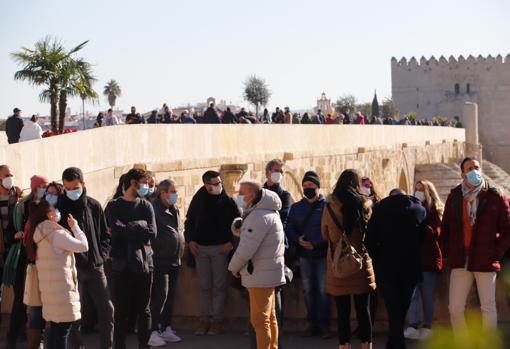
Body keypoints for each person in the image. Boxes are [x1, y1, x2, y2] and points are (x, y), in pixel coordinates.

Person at [441, 157, 510, 332]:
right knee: (455, 308)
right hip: (460, 259)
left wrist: (496, 252)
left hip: (485, 259)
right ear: (462, 174)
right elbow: (446, 227)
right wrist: (449, 251)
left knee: (488, 307)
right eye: (470, 168)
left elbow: (507, 230)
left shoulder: (495, 196)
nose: (474, 170)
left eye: (476, 167)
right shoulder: (455, 196)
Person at [56, 167, 114, 349]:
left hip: (95, 267)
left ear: (83, 184)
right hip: (72, 270)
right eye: (68, 188)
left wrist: (101, 257)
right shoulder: (60, 209)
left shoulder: (94, 206)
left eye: (75, 187)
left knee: (107, 310)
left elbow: (105, 235)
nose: (72, 192)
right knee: (75, 315)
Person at [322, 169, 376, 349]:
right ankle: (366, 345)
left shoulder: (329, 206)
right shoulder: (364, 205)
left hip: (338, 263)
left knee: (342, 311)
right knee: (363, 310)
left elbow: (324, 234)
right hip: (360, 262)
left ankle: (344, 346)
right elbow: (370, 232)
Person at [366, 188, 426, 349]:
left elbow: (370, 240)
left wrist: (378, 259)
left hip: (387, 267)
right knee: (402, 307)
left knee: (393, 308)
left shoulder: (379, 210)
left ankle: (395, 343)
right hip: (411, 266)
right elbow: (423, 238)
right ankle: (396, 343)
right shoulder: (419, 210)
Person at [228, 182, 286, 349]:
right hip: (268, 272)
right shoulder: (268, 213)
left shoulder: (258, 216)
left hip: (260, 274)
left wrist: (234, 267)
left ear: (252, 196)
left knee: (260, 321)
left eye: (241, 192)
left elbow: (246, 248)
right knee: (270, 318)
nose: (238, 195)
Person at [184, 170, 241, 335]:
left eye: (219, 183)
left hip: (220, 249)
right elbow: (190, 221)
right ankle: (204, 320)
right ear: (206, 185)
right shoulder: (199, 199)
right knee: (204, 286)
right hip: (200, 248)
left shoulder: (228, 200)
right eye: (214, 184)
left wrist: (231, 242)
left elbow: (238, 223)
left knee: (219, 286)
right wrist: (190, 241)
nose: (218, 186)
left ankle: (216, 320)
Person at [106, 168, 156, 348]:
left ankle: (144, 345)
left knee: (144, 309)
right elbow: (114, 231)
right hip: (121, 265)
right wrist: (138, 227)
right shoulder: (113, 206)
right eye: (143, 183)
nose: (146, 188)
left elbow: (152, 233)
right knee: (121, 311)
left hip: (144, 264)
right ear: (133, 183)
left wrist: (126, 227)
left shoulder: (146, 206)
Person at [31, 200, 88, 349]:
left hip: (50, 294)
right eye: (53, 209)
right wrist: (75, 227)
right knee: (62, 332)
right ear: (49, 215)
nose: (56, 211)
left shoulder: (39, 233)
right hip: (63, 293)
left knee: (56, 331)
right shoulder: (57, 234)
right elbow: (83, 246)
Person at [5, 175, 48, 348]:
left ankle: (40, 337)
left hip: (44, 259)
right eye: (41, 186)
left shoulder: (49, 206)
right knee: (21, 301)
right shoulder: (21, 207)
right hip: (23, 260)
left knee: (43, 302)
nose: (43, 189)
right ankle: (12, 340)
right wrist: (16, 236)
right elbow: (9, 233)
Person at [285, 171, 329, 337]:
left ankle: (324, 324)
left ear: (317, 187)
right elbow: (289, 227)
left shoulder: (326, 206)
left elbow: (329, 230)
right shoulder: (297, 208)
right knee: (308, 290)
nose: (308, 189)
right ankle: (312, 322)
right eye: (305, 187)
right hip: (304, 256)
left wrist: (316, 242)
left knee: (323, 290)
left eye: (311, 186)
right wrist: (299, 240)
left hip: (322, 254)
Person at [404, 180, 444, 340]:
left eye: (421, 189)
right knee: (412, 295)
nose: (418, 192)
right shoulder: (411, 209)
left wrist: (420, 222)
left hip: (428, 259)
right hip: (413, 259)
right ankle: (413, 325)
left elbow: (435, 233)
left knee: (427, 295)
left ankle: (427, 326)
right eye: (416, 189)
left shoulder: (435, 210)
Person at [148, 180, 184, 346]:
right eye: (172, 191)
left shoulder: (173, 208)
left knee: (170, 296)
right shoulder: (153, 208)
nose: (174, 194)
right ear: (162, 193)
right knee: (160, 295)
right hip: (160, 259)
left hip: (174, 259)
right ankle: (154, 330)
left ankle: (166, 327)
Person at [262, 159, 291, 344]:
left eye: (281, 171)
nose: (278, 174)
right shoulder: (260, 193)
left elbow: (284, 219)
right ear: (267, 172)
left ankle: (277, 331)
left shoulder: (285, 195)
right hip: (261, 250)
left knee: (276, 291)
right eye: (275, 170)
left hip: (277, 248)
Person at [0, 165, 20, 343]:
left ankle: (17, 328)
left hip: (15, 249)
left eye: (12, 175)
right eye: (7, 175)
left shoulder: (18, 196)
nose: (10, 178)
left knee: (19, 289)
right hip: (1, 250)